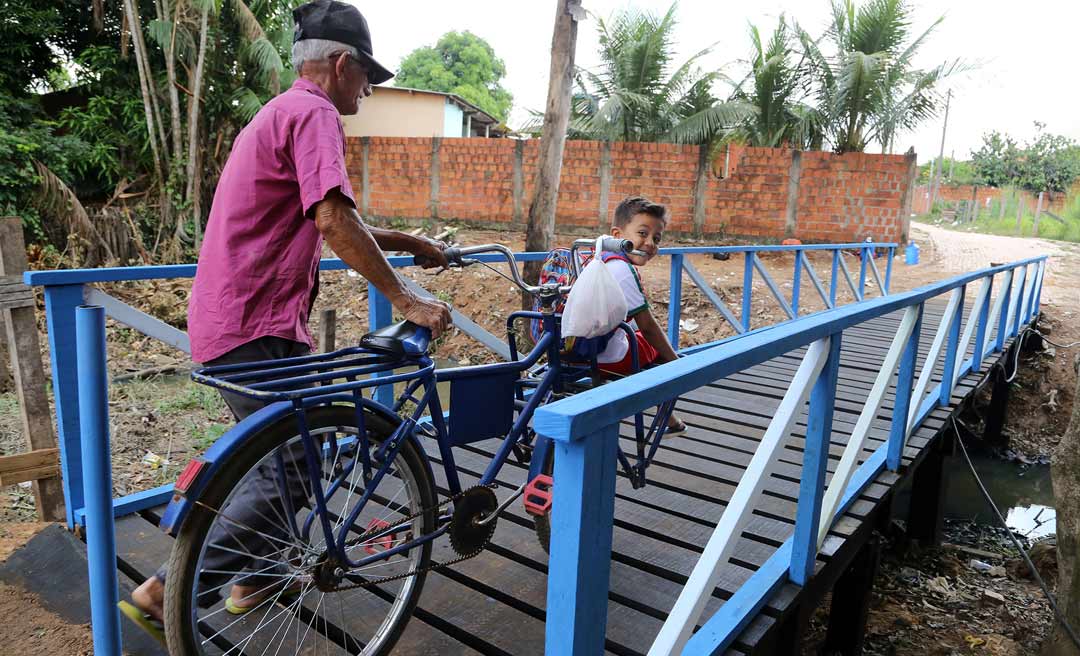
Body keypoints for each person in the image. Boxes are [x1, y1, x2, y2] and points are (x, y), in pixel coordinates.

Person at [119, 0, 452, 640]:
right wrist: (408, 299)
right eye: (367, 78)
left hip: (241, 319)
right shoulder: (315, 113)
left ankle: (254, 576)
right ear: (340, 64)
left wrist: (405, 242)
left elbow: (324, 215)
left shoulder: (278, 112)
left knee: (294, 452)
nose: (368, 90)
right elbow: (331, 219)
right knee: (294, 461)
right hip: (253, 325)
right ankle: (169, 591)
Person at [594, 196, 686, 433]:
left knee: (639, 340)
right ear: (617, 235)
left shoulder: (597, 258)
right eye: (642, 234)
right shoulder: (623, 270)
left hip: (579, 348)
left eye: (656, 238)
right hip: (606, 356)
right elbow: (648, 326)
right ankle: (668, 418)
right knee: (655, 349)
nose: (650, 244)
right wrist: (676, 362)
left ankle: (669, 418)